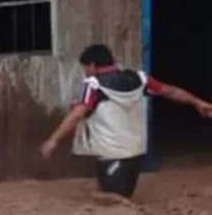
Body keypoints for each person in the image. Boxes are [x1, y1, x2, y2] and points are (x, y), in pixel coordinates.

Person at [40, 44, 212, 198]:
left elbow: (77, 114)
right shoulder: (140, 79)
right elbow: (170, 91)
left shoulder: (93, 85)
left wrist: (54, 140)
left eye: (85, 67)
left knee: (112, 200)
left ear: (92, 65)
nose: (85, 71)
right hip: (136, 151)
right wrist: (197, 102)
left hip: (111, 154)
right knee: (122, 196)